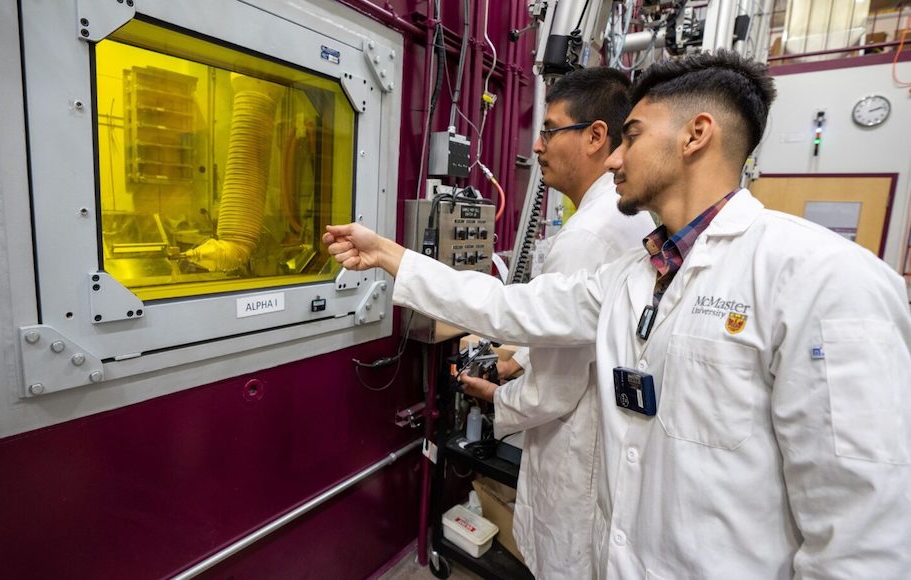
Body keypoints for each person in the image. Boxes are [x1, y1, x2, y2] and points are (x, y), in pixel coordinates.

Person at [324, 50, 911, 578]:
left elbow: (863, 531)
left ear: (695, 135)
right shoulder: (634, 274)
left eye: (631, 136)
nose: (613, 161)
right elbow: (512, 307)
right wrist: (393, 257)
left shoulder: (825, 280)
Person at [458, 68, 653, 580]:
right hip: (604, 448)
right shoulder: (623, 217)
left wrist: (495, 397)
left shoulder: (588, 234)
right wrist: (515, 357)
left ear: (594, 136)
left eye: (549, 130)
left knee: (564, 562)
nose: (538, 147)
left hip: (577, 454)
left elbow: (556, 388)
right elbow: (580, 321)